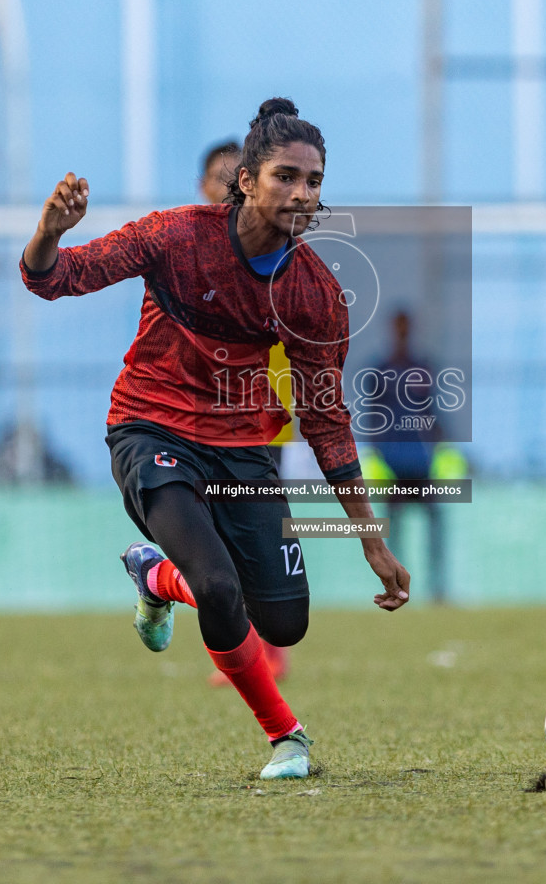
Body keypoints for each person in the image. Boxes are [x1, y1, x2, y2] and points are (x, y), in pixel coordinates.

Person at [21, 98, 410, 780]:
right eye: (286, 176)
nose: (302, 193)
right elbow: (56, 278)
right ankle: (286, 736)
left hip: (243, 450)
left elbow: (325, 420)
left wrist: (371, 543)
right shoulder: (174, 237)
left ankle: (155, 576)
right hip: (151, 429)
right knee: (220, 590)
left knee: (284, 623)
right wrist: (49, 233)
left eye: (313, 181)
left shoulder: (314, 291)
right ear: (247, 181)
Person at [197, 137, 291, 683]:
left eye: (233, 175)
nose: (225, 184)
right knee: (209, 533)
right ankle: (247, 644)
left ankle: (265, 648)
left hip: (258, 414)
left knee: (253, 534)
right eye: (217, 176)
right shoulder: (190, 247)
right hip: (197, 416)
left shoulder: (270, 248)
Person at [369, 311, 449, 602]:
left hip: (420, 463)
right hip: (394, 464)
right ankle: (396, 586)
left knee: (434, 524)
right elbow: (373, 417)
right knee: (395, 529)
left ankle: (438, 588)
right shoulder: (380, 371)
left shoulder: (422, 367)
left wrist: (442, 444)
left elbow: (432, 413)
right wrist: (378, 452)